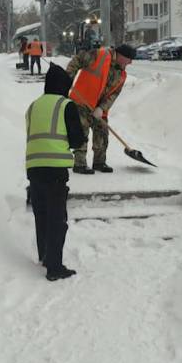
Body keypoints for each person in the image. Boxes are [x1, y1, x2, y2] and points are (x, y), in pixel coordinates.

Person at [26, 63, 85, 281]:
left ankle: (44, 256)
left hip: (33, 167)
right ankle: (54, 267)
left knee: (41, 215)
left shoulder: (33, 106)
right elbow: (77, 139)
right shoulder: (66, 105)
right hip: (55, 168)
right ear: (63, 86)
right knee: (57, 218)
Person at [66, 44, 136, 174]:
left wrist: (101, 108)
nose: (130, 62)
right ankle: (79, 164)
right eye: (129, 59)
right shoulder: (99, 55)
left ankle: (99, 162)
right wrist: (68, 78)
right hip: (82, 101)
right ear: (121, 55)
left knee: (102, 132)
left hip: (98, 108)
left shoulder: (122, 74)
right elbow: (78, 59)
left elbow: (113, 95)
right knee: (82, 131)